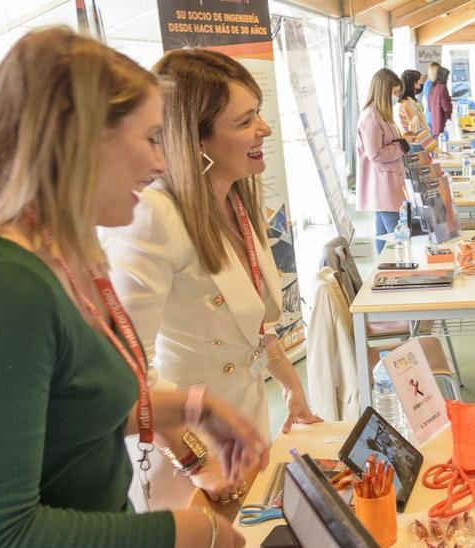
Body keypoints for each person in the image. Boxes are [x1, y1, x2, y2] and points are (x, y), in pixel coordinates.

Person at [0, 27, 265, 548]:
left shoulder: (55, 256)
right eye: (149, 139)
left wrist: (192, 408)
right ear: (80, 141)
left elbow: (66, 410)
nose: (161, 163)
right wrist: (182, 532)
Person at [101, 47, 322, 511]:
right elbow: (129, 367)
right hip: (189, 452)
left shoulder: (236, 198)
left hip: (244, 423)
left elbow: (251, 323)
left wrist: (290, 383)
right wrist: (195, 460)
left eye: (258, 113)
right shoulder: (153, 216)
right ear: (194, 139)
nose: (263, 129)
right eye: (244, 122)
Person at [354, 69, 410, 253]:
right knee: (396, 234)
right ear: (383, 91)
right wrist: (401, 146)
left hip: (389, 183)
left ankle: (384, 271)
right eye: (394, 93)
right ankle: (393, 270)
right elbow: (375, 154)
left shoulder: (381, 115)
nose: (396, 98)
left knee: (384, 234)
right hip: (383, 185)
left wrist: (401, 142)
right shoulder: (370, 117)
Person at [397, 69, 437, 153]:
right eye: (419, 80)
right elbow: (417, 129)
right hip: (416, 145)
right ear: (414, 83)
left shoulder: (410, 101)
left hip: (419, 143)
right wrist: (434, 148)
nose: (421, 83)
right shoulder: (407, 103)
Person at [429, 65, 453, 139]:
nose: (448, 78)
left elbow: (429, 107)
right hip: (442, 122)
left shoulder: (433, 87)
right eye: (447, 76)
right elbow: (447, 108)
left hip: (435, 122)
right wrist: (450, 101)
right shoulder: (442, 88)